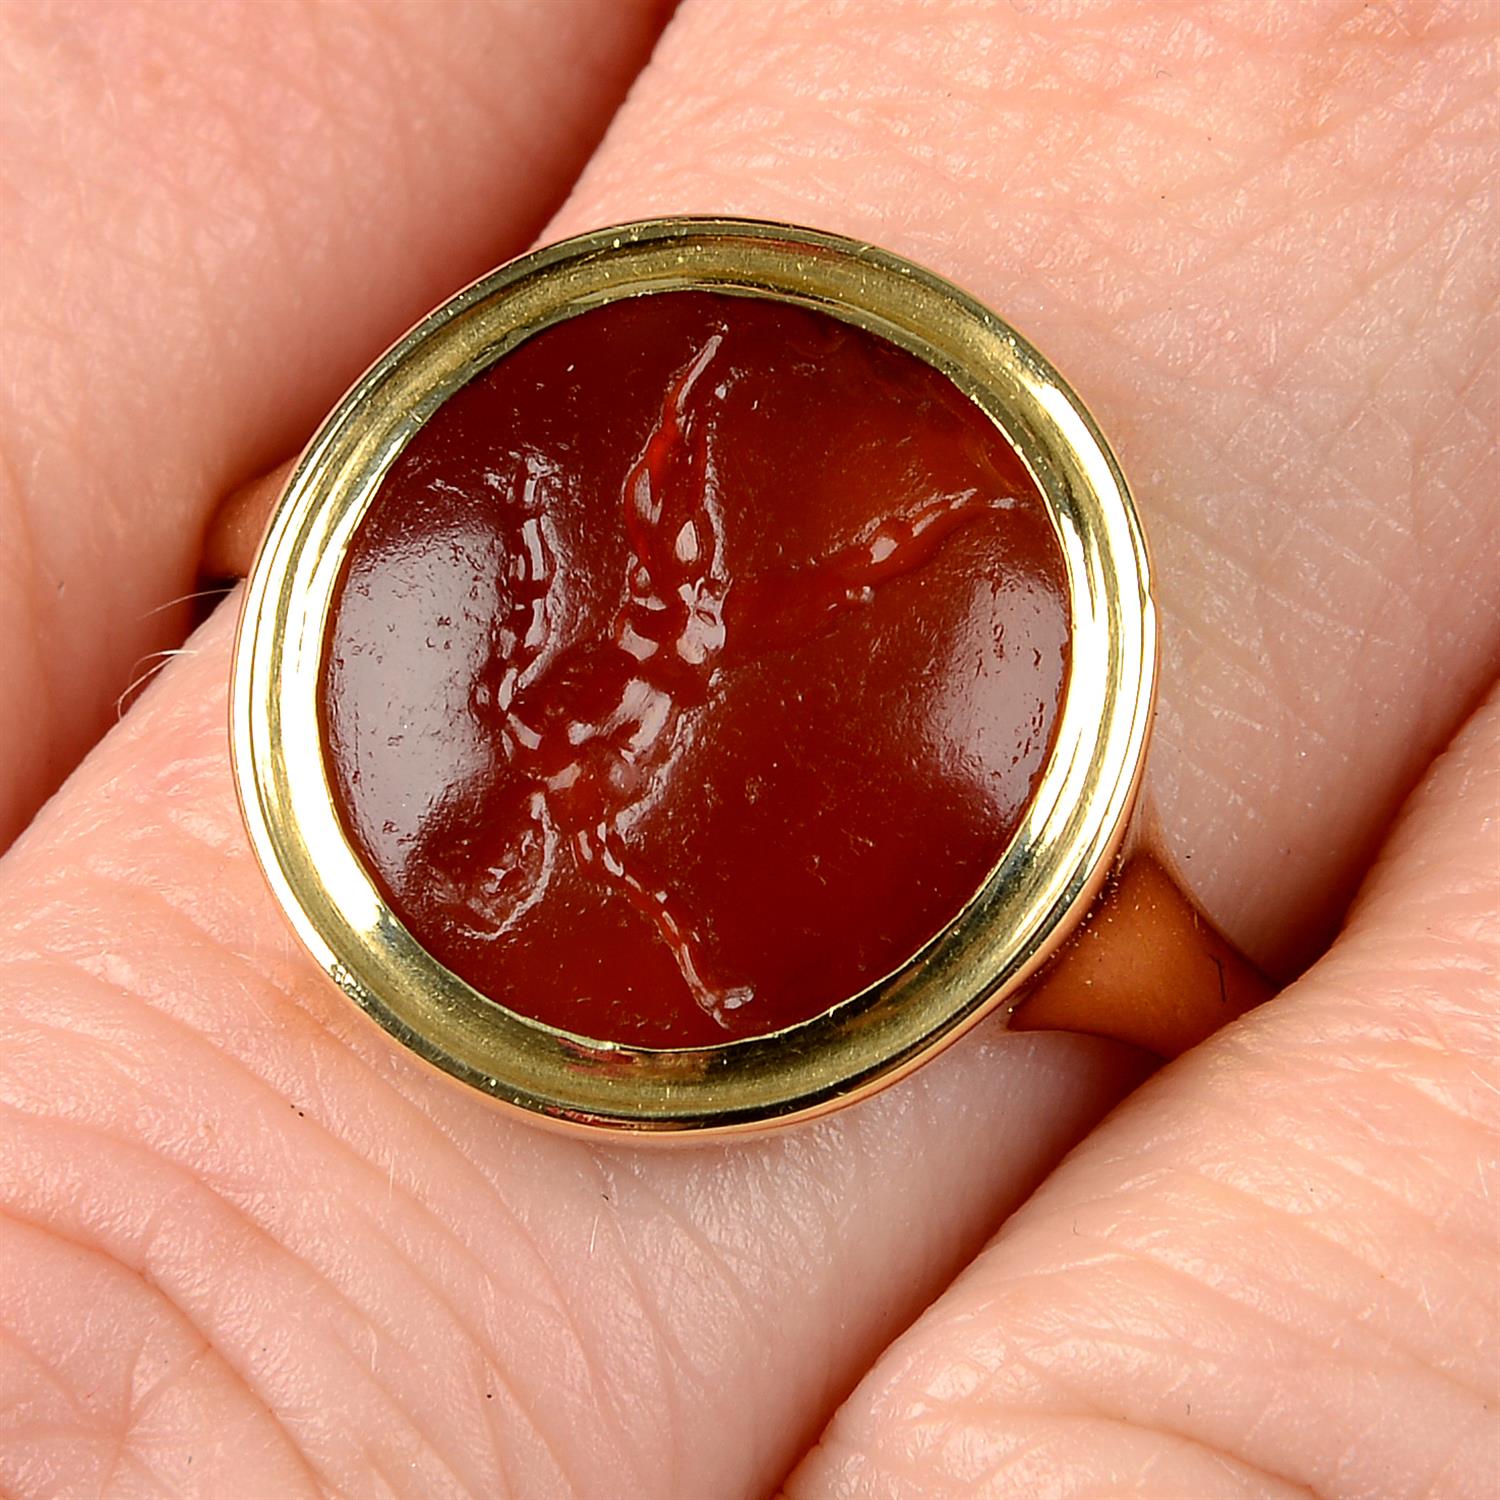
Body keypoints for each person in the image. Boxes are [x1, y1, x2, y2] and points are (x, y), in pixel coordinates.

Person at [0, 2, 1494, 1496]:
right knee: (803, 550)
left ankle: (848, 465)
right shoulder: (554, 826)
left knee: (738, 502)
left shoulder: (528, 744)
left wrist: (521, 494)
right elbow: (633, 855)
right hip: (699, 638)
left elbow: (537, 599)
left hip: (687, 613)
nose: (511, 837)